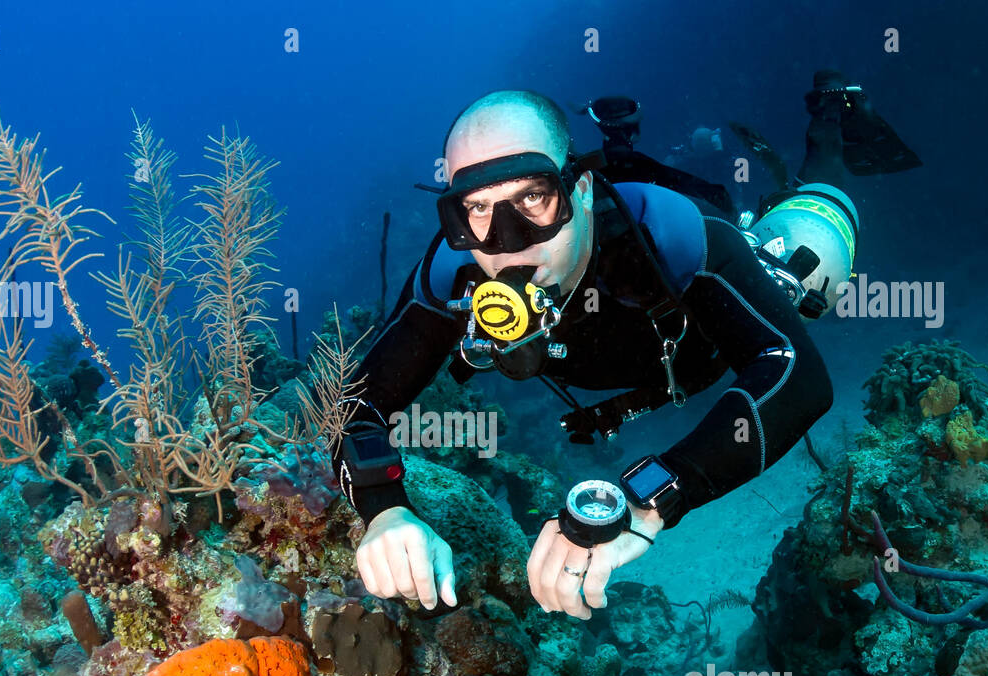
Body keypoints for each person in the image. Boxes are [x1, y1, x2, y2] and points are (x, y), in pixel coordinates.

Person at [333, 73, 917, 621]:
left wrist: (646, 499)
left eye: (533, 197)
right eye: (479, 207)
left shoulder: (674, 238)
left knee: (820, 240)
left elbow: (797, 376)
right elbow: (353, 402)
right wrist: (383, 507)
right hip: (639, 371)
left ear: (579, 191)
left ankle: (829, 120)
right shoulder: (452, 273)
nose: (505, 245)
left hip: (699, 349)